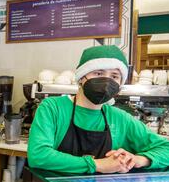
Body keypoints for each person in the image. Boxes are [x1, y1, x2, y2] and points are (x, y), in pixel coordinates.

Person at [28, 45, 169, 174]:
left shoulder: (120, 119)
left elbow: (166, 148)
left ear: (120, 85)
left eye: (114, 76)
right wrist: (98, 165)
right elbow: (38, 155)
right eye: (98, 73)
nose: (106, 81)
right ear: (81, 77)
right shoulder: (53, 108)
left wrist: (139, 159)